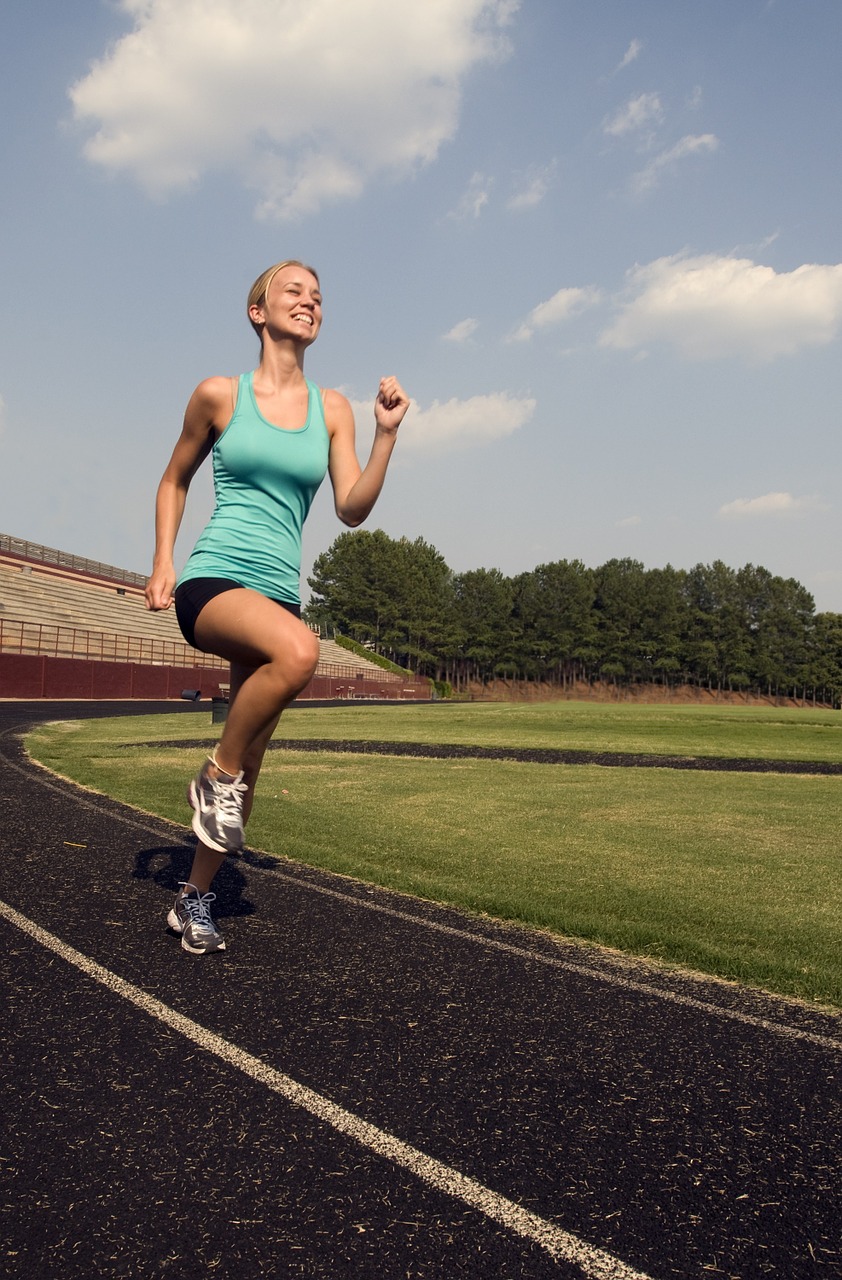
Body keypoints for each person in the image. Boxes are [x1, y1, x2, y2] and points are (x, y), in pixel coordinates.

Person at [145, 259, 409, 955]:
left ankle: (194, 898)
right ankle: (213, 774)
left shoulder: (333, 409)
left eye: (318, 296)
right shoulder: (219, 395)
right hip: (213, 582)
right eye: (294, 291)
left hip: (276, 593)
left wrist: (385, 434)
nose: (309, 302)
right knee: (299, 652)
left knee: (252, 761)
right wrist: (164, 559)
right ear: (258, 311)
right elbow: (174, 480)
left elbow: (351, 508)